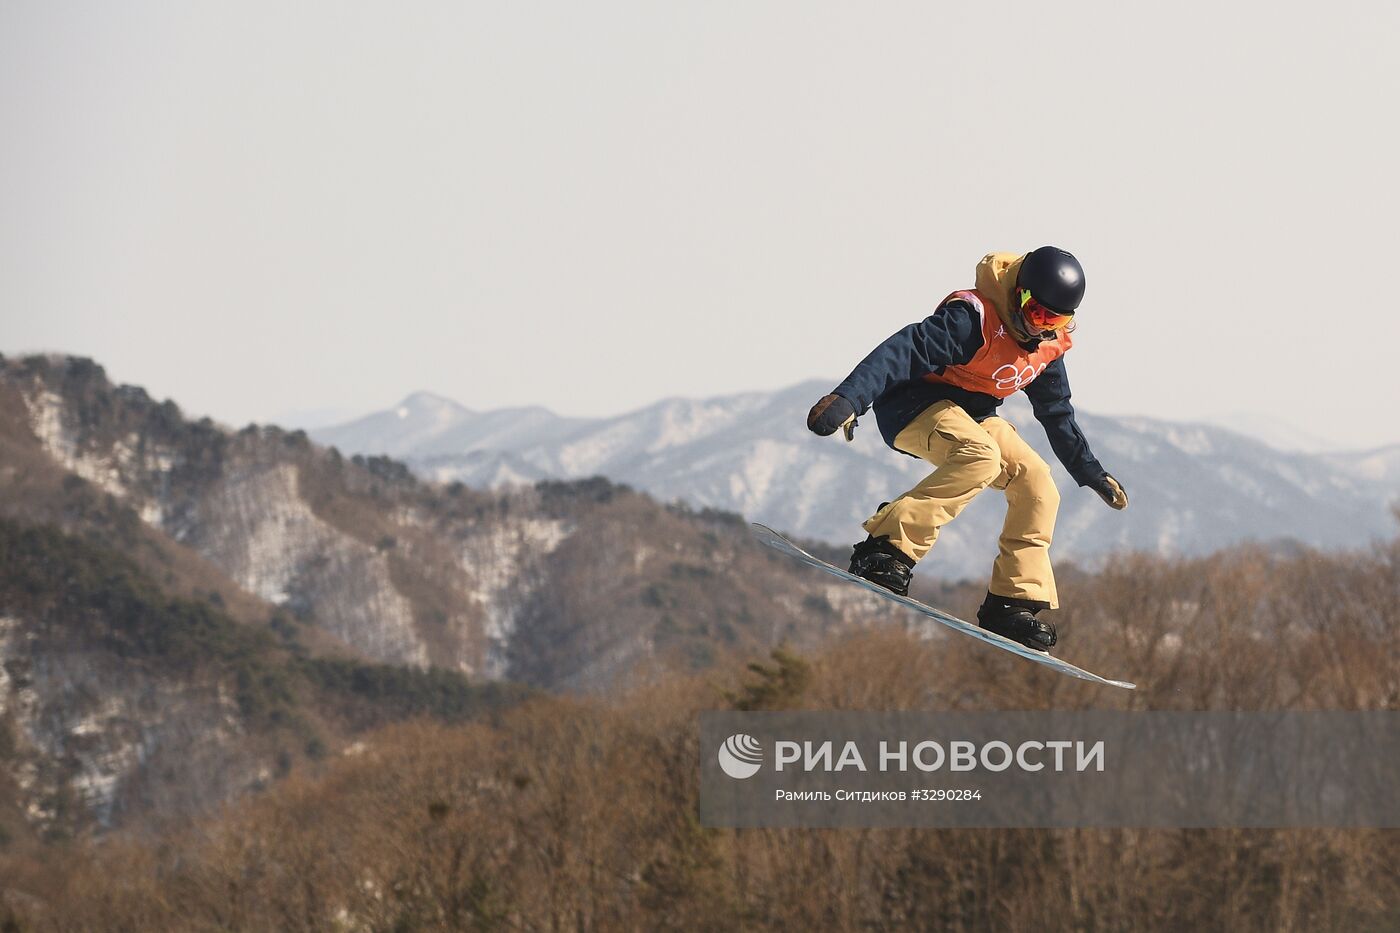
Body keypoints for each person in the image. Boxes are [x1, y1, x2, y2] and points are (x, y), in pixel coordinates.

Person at [806, 247, 1127, 651]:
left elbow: (1056, 412)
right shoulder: (972, 320)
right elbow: (902, 350)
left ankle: (1012, 602)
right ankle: (886, 549)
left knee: (1038, 483)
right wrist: (849, 399)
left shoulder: (1046, 345)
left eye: (1057, 320)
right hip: (913, 407)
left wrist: (1089, 471)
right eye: (1038, 313)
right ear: (1019, 295)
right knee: (980, 457)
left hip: (972, 415)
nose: (1043, 327)